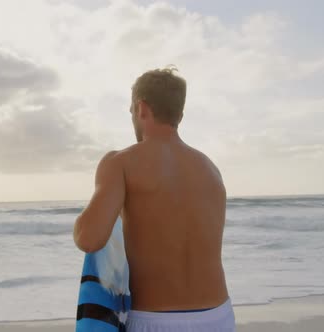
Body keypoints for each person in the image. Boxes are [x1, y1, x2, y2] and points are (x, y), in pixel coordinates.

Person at [73, 66, 235, 331]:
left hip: (156, 320)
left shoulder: (121, 162)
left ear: (141, 108)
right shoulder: (210, 169)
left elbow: (89, 238)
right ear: (179, 115)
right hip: (219, 316)